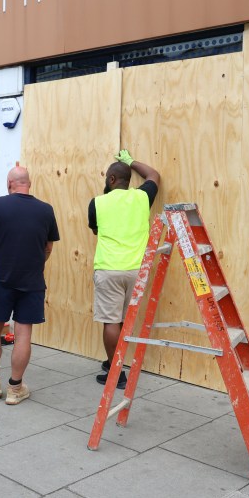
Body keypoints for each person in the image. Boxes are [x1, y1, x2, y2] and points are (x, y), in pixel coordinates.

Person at [0, 166, 59, 405]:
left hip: (1, 280)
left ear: (10, 183)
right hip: (32, 282)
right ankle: (15, 388)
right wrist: (35, 266)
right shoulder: (45, 210)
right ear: (28, 184)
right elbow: (49, 247)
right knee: (23, 335)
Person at [89, 149, 160, 389]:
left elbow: (96, 230)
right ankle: (114, 363)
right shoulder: (142, 197)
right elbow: (153, 175)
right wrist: (130, 161)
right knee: (124, 320)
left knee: (111, 321)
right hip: (136, 271)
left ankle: (115, 372)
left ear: (110, 180)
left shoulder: (97, 203)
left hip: (109, 269)